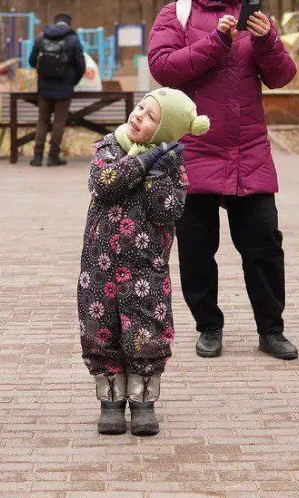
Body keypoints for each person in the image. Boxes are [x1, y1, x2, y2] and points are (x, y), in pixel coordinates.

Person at [147, 0, 299, 362]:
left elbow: (282, 75)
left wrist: (267, 38)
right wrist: (217, 42)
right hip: (193, 150)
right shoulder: (175, 14)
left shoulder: (257, 20)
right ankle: (208, 326)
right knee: (197, 249)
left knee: (264, 245)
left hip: (248, 149)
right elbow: (164, 68)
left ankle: (271, 330)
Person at [79, 88, 210, 437]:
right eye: (140, 108)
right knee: (100, 328)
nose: (139, 116)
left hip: (145, 269)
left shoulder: (171, 163)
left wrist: (156, 176)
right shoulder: (110, 145)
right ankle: (110, 400)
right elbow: (104, 185)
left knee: (146, 331)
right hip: (99, 264)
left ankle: (142, 401)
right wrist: (142, 162)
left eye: (151, 117)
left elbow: (167, 211)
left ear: (166, 131)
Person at [27, 12, 87, 167]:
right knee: (59, 121)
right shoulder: (72, 40)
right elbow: (81, 65)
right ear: (69, 24)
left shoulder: (41, 38)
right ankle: (53, 156)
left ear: (55, 23)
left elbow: (32, 61)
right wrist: (72, 81)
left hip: (44, 87)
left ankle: (37, 156)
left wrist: (44, 72)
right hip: (64, 88)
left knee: (42, 120)